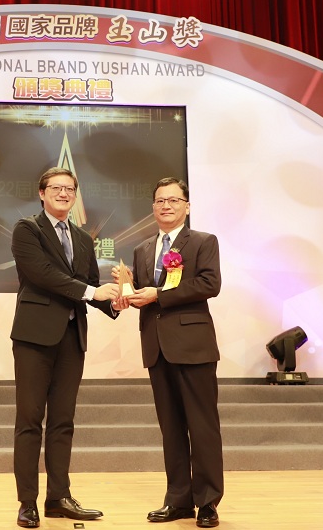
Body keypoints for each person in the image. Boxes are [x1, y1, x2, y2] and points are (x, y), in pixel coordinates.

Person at [10, 167, 121, 528]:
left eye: (69, 188)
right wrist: (92, 292)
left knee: (63, 422)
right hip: (34, 338)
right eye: (55, 188)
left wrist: (116, 302)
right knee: (30, 420)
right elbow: (42, 273)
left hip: (72, 338)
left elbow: (90, 285)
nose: (63, 193)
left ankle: (58, 497)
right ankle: (28, 502)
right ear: (41, 193)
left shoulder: (84, 239)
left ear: (76, 195)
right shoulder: (27, 229)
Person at [112, 177, 224, 528]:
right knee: (171, 428)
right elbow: (143, 295)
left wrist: (157, 295)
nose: (166, 206)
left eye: (174, 200)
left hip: (193, 346)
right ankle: (178, 501)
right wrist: (125, 296)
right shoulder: (143, 248)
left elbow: (210, 284)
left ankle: (207, 503)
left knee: (202, 426)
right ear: (153, 207)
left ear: (186, 206)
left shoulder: (203, 242)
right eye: (160, 200)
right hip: (156, 347)